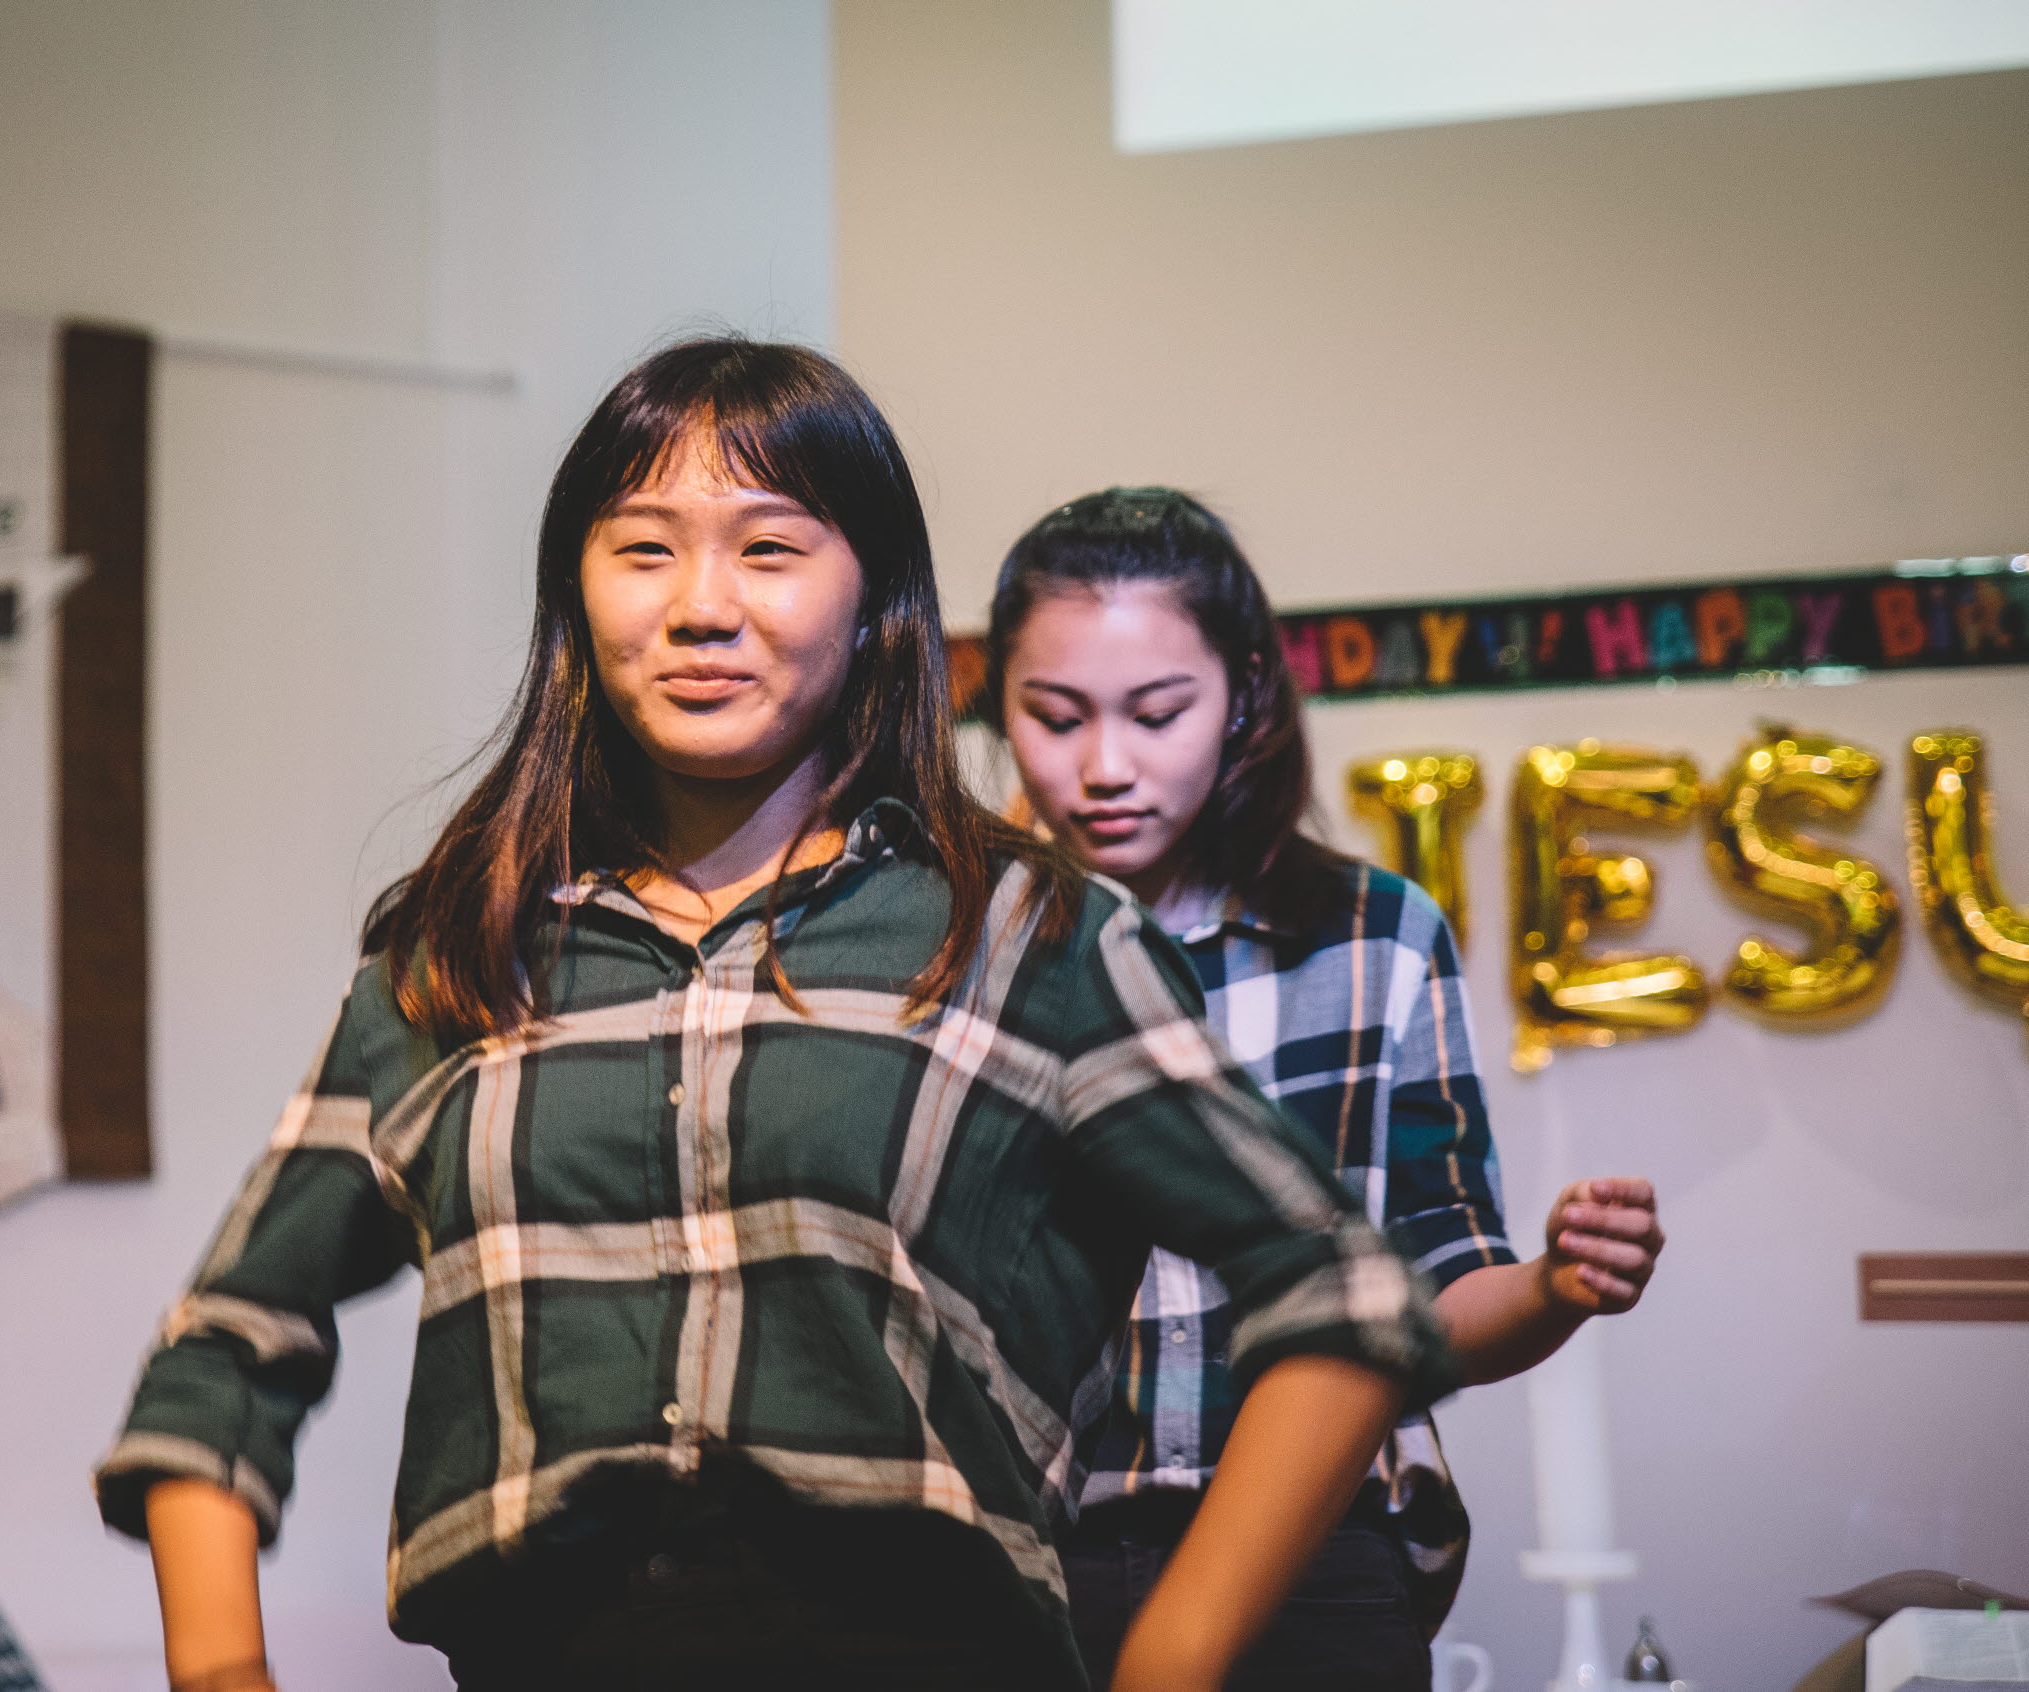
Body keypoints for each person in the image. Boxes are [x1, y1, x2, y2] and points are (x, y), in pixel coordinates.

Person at [95, 345, 1462, 1692]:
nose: (702, 606)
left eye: (767, 549)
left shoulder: (1029, 936)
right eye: (644, 550)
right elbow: (225, 1342)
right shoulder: (460, 955)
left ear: (874, 602)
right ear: (575, 594)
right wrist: (220, 1670)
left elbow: (1338, 1291)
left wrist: (1168, 1660)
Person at [984, 487, 1668, 1692]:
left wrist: (1553, 1289)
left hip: (1318, 1556)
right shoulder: (957, 942)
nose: (1104, 767)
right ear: (998, 703)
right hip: (1020, 1554)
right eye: (1054, 716)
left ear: (1244, 694)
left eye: (1157, 713)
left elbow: (1433, 1295)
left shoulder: (1370, 937)